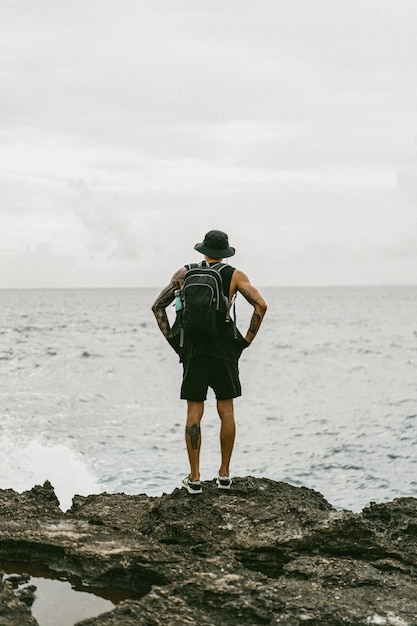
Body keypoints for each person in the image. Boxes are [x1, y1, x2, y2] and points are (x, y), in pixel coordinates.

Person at [151, 230, 267, 494]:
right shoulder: (235, 275)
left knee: (194, 413)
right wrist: (245, 340)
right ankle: (224, 475)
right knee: (226, 411)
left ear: (203, 250)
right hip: (224, 349)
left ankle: (194, 479)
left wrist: (174, 340)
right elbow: (261, 306)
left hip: (193, 350)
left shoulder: (185, 273)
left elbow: (158, 307)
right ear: (225, 253)